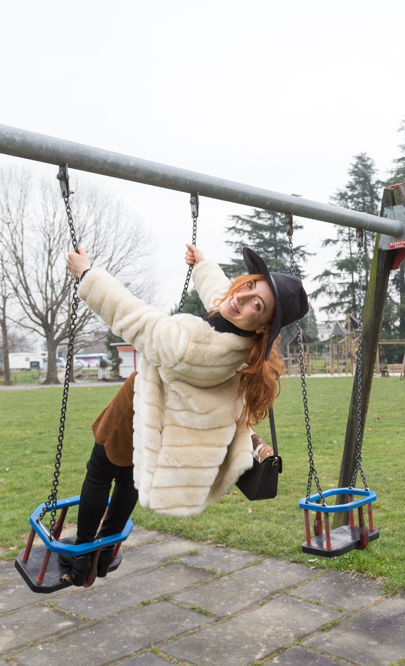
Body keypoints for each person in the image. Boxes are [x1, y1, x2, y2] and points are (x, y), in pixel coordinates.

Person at [61, 243, 309, 584]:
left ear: (263, 326)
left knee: (100, 470)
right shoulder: (238, 338)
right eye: (250, 286)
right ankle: (102, 559)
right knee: (128, 476)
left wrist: (88, 276)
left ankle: (81, 559)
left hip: (140, 404)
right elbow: (223, 295)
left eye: (258, 304)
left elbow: (138, 319)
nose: (243, 298)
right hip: (161, 416)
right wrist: (203, 266)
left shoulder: (196, 346)